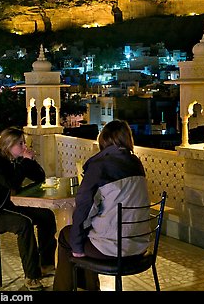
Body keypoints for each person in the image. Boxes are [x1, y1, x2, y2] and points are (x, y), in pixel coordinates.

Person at [52, 119, 150, 291]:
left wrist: (77, 246)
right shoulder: (137, 164)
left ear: (103, 140)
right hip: (140, 246)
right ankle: (87, 287)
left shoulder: (100, 166)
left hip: (113, 250)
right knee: (87, 233)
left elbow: (83, 208)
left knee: (68, 236)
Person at [0, 126, 57, 291]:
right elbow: (13, 183)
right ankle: (31, 276)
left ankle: (46, 264)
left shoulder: (16, 160)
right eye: (20, 144)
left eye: (24, 143)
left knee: (47, 216)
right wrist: (25, 162)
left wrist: (31, 161)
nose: (24, 147)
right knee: (24, 225)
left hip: (5, 206)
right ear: (8, 145)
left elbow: (39, 177)